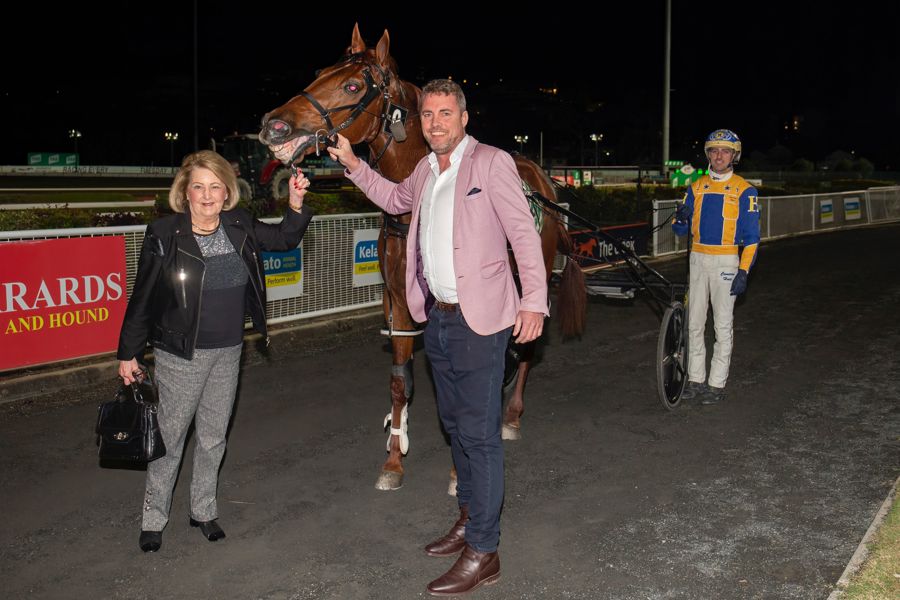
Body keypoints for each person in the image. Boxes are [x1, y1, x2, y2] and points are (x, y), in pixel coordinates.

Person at [327, 79, 548, 596]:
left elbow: (523, 234)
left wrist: (534, 300)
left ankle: (485, 550)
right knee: (454, 427)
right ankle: (469, 520)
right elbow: (392, 198)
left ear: (464, 118)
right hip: (439, 318)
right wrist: (353, 162)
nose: (435, 123)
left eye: (446, 113)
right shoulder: (425, 170)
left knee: (480, 435)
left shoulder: (491, 163)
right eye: (428, 114)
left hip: (481, 320)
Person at [116, 150, 313, 552]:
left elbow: (284, 239)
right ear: (185, 192)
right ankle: (153, 518)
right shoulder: (164, 233)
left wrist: (295, 204)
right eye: (198, 187)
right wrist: (128, 353)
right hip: (180, 355)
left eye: (215, 187)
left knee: (213, 437)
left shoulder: (240, 224)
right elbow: (143, 297)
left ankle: (203, 510)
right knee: (170, 439)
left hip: (229, 351)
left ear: (227, 192)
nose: (207, 196)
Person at [673, 129, 760, 405]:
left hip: (726, 261)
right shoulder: (695, 187)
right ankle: (696, 379)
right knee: (694, 324)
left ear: (734, 156)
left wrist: (744, 271)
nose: (719, 156)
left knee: (722, 326)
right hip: (698, 259)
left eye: (725, 151)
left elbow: (752, 238)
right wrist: (681, 218)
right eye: (714, 150)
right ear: (708, 155)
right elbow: (679, 230)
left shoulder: (745, 190)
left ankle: (716, 384)